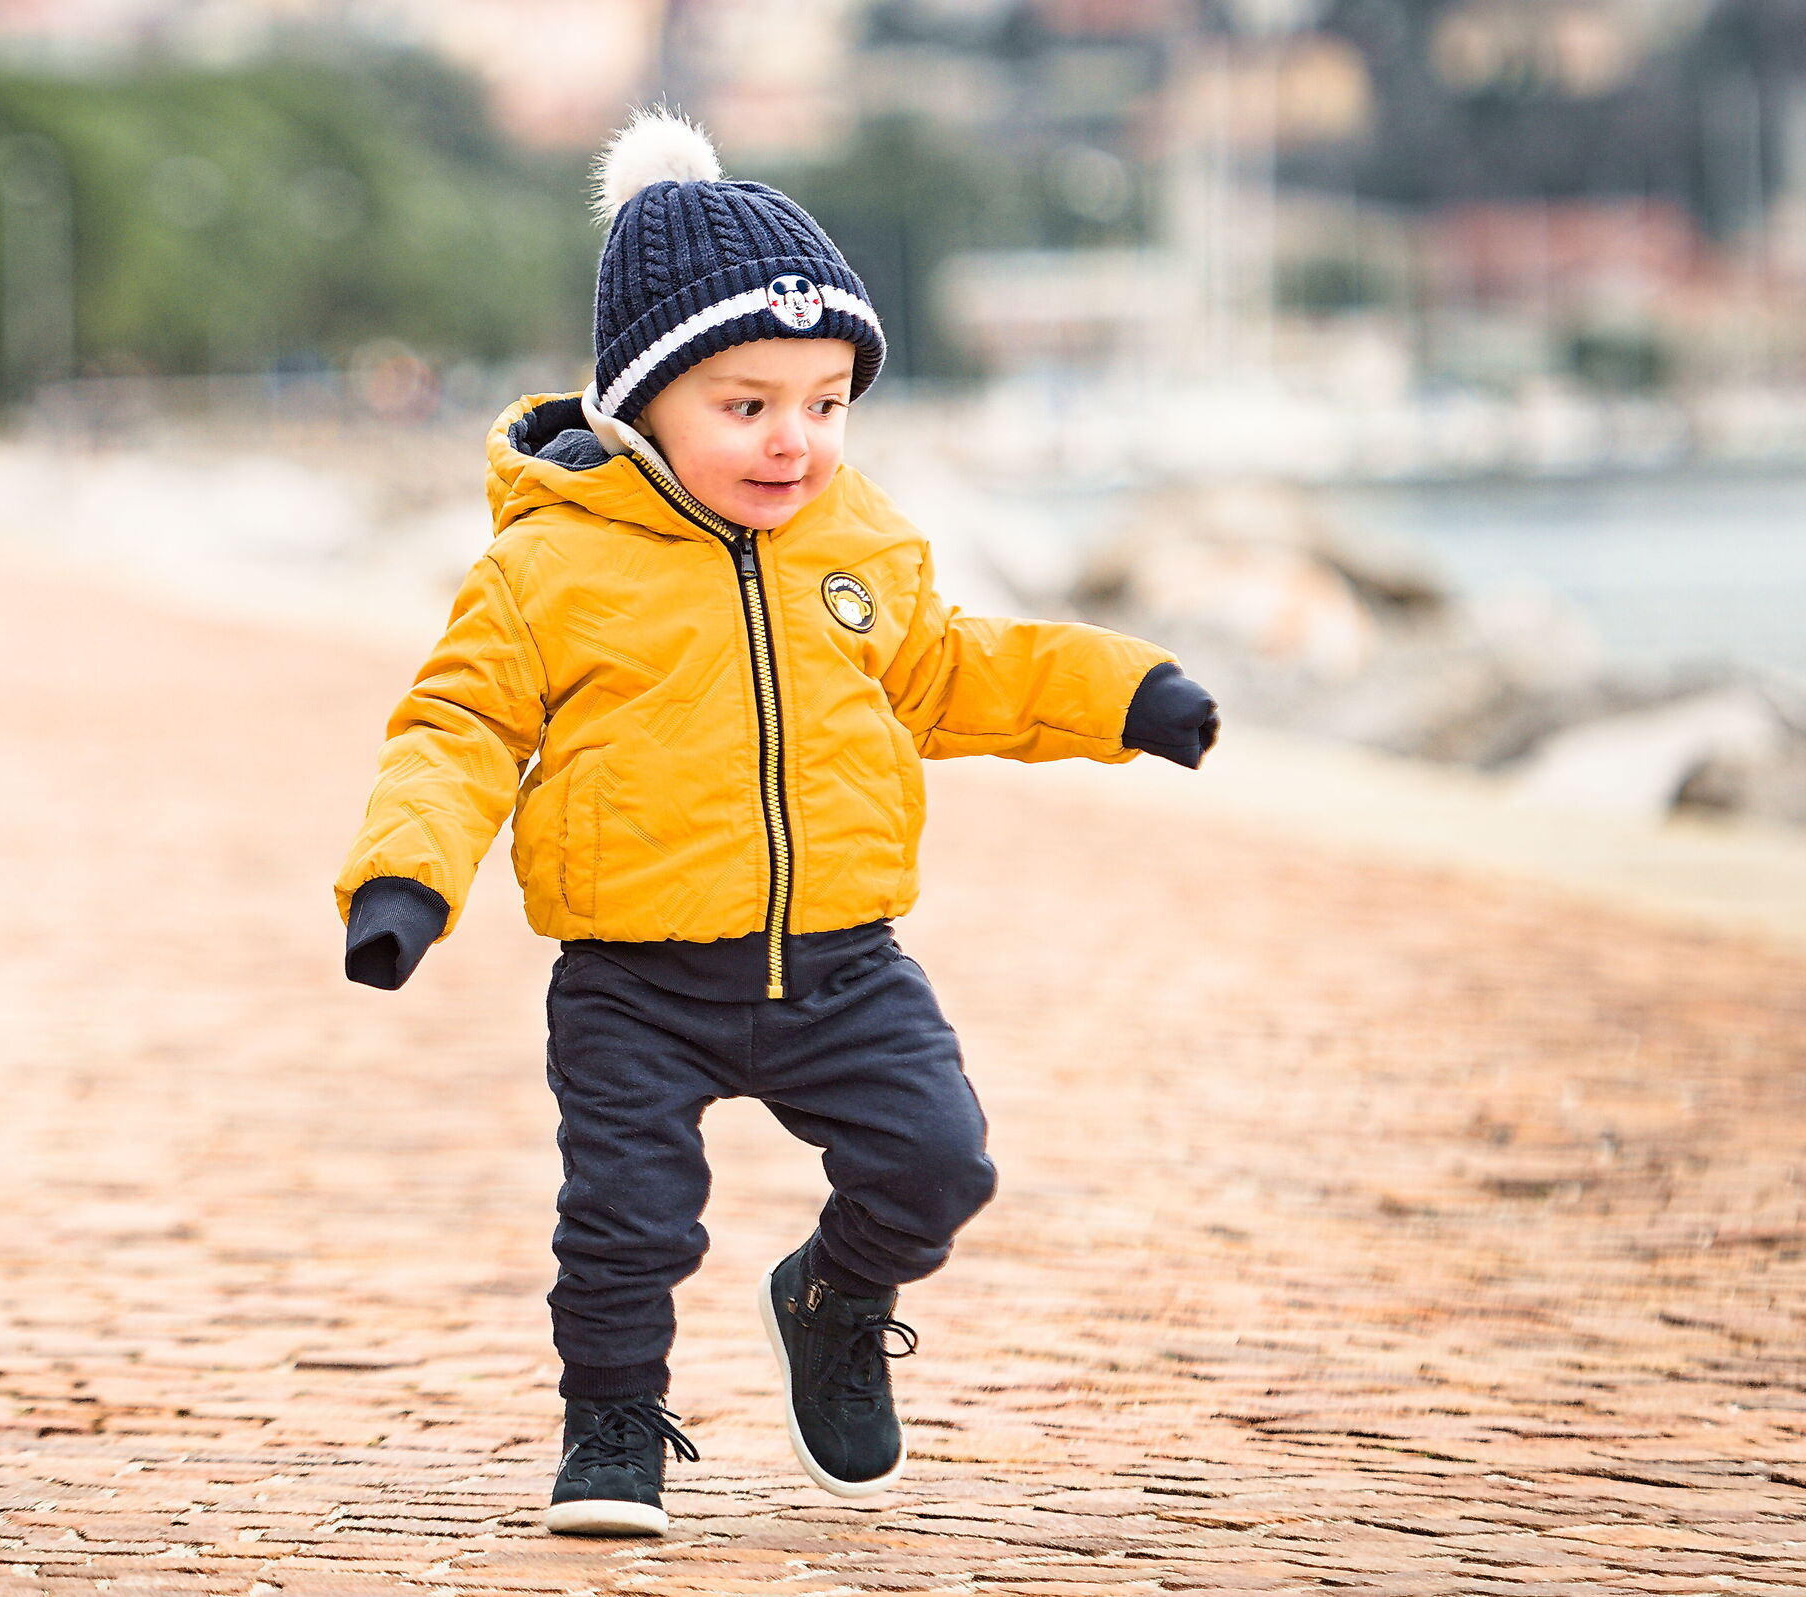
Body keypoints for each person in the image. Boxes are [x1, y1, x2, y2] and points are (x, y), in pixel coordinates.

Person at [334, 110, 1219, 1538]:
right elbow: (459, 729)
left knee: (941, 1159)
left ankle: (836, 1294)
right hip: (635, 975)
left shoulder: (859, 542)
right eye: (746, 406)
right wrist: (402, 881)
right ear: (641, 403)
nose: (793, 439)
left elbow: (950, 669)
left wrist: (1127, 695)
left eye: (825, 401)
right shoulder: (547, 563)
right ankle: (612, 1422)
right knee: (624, 1223)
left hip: (843, 962)